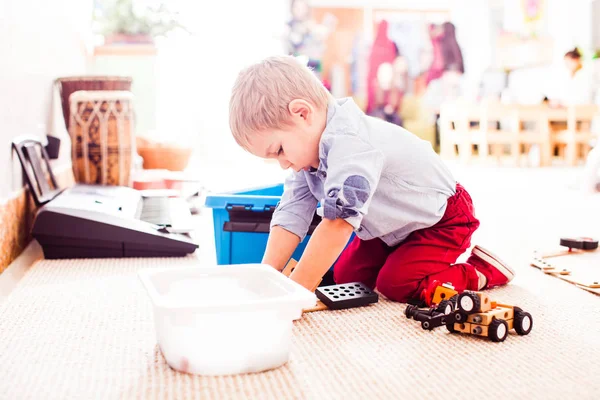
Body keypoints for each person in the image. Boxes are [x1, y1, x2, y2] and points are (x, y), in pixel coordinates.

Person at [228, 55, 515, 304]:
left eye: (279, 150)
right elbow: (291, 213)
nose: (282, 164)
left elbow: (338, 224)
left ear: (302, 113)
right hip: (388, 228)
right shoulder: (307, 156)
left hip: (441, 219)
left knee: (396, 284)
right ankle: (399, 256)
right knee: (346, 276)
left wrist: (297, 292)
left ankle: (480, 270)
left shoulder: (352, 145)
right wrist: (265, 276)